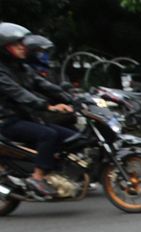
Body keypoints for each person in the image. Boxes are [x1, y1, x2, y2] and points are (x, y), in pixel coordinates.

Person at [0, 22, 75, 198]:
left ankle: (60, 172)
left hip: (26, 117)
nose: (22, 47)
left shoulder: (23, 68)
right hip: (7, 120)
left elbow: (44, 85)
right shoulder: (1, 72)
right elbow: (19, 93)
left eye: (22, 43)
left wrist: (69, 97)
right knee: (47, 135)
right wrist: (47, 106)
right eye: (16, 44)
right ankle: (38, 177)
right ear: (4, 48)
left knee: (70, 135)